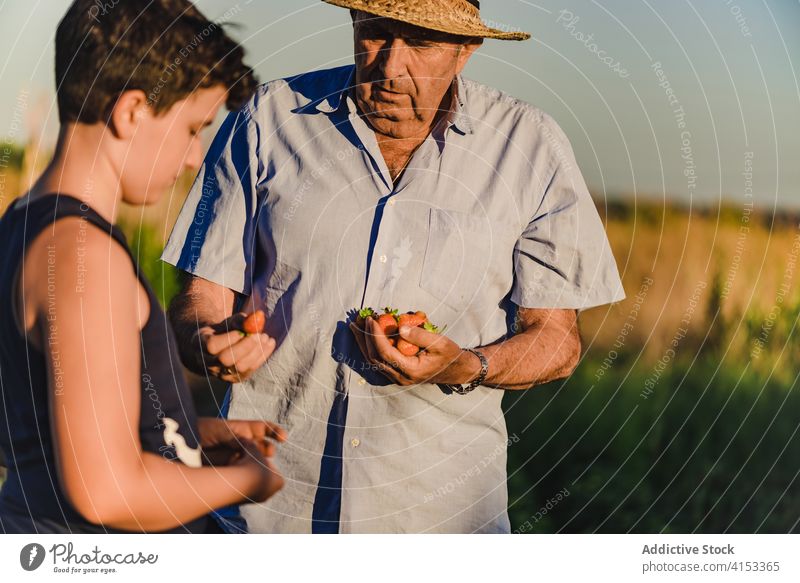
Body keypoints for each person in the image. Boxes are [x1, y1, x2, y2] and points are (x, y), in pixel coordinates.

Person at [162, 0, 626, 533]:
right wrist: (206, 339)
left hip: (437, 521)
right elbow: (202, 295)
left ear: (465, 50)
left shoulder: (530, 147)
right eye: (376, 34)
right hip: (267, 512)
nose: (390, 66)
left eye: (421, 43)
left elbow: (556, 340)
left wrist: (466, 366)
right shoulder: (268, 118)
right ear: (353, 24)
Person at [0, 0, 285, 534]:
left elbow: (46, 429)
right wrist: (249, 480)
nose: (194, 156)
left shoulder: (23, 224)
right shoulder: (84, 258)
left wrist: (185, 432)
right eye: (192, 129)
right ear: (132, 110)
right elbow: (107, 491)